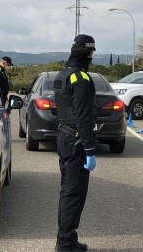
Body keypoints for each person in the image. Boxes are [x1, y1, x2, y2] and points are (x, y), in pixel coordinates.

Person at [53, 34, 97, 252]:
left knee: (66, 192)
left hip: (64, 137)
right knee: (74, 194)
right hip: (77, 142)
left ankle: (65, 238)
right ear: (89, 53)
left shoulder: (62, 74)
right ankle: (66, 243)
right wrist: (89, 149)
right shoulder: (81, 78)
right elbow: (83, 117)